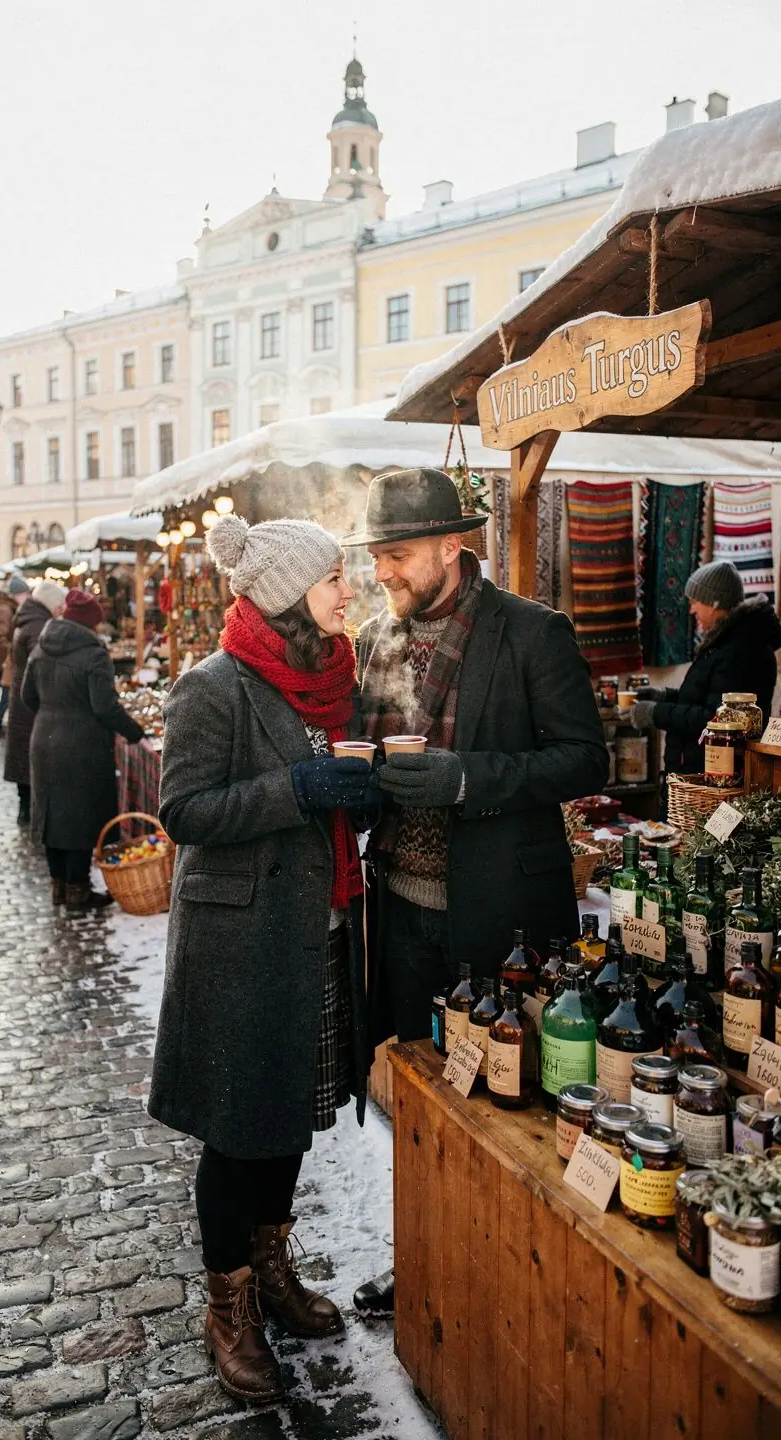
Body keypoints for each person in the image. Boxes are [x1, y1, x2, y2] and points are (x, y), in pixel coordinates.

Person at [344, 467, 609, 1319]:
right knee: (420, 1094)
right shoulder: (375, 638)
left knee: (506, 1101)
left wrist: (468, 781)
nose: (381, 572)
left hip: (501, 914)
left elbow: (583, 759)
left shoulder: (533, 632)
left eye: (398, 555)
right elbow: (366, 740)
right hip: (402, 912)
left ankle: (511, 1285)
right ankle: (422, 1256)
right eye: (376, 555)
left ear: (453, 546)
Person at [148, 515, 372, 1406]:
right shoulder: (213, 686)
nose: (347, 594)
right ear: (288, 599)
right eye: (332, 583)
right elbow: (186, 810)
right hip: (239, 945)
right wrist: (297, 791)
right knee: (239, 1131)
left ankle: (272, 1267)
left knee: (290, 1116)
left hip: (310, 936)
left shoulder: (326, 682)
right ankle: (229, 1305)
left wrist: (357, 793)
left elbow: (319, 791)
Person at [21, 586, 144, 911]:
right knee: (78, 815)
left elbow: (26, 696)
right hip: (82, 744)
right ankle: (78, 890)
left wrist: (52, 714)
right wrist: (134, 732)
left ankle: (59, 886)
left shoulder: (42, 647)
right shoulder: (93, 653)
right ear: (89, 622)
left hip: (44, 739)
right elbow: (105, 707)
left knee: (51, 814)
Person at [632, 560, 781, 774]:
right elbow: (705, 698)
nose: (692, 610)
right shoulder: (726, 642)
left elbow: (715, 719)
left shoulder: (741, 651)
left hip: (711, 775)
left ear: (714, 603)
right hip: (695, 769)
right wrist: (663, 696)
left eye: (695, 602)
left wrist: (656, 713)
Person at [5, 580, 68, 824]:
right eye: (59, 605)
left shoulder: (29, 619)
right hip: (33, 702)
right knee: (30, 756)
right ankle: (31, 812)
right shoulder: (38, 624)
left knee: (24, 755)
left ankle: (26, 809)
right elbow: (42, 662)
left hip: (24, 700)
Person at [0, 581, 23, 732]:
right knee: (5, 689)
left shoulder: (1, 609)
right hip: (2, 659)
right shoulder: (5, 610)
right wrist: (13, 649)